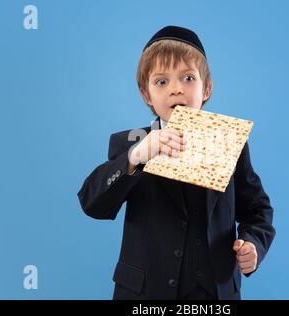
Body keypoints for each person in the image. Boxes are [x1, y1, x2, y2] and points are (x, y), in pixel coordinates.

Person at [77, 26, 275, 300]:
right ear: (146, 94)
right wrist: (136, 156)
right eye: (161, 82)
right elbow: (92, 204)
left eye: (188, 78)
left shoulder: (232, 143)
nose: (176, 89)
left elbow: (257, 209)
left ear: (206, 88)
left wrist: (253, 245)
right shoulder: (130, 144)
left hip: (215, 294)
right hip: (145, 295)